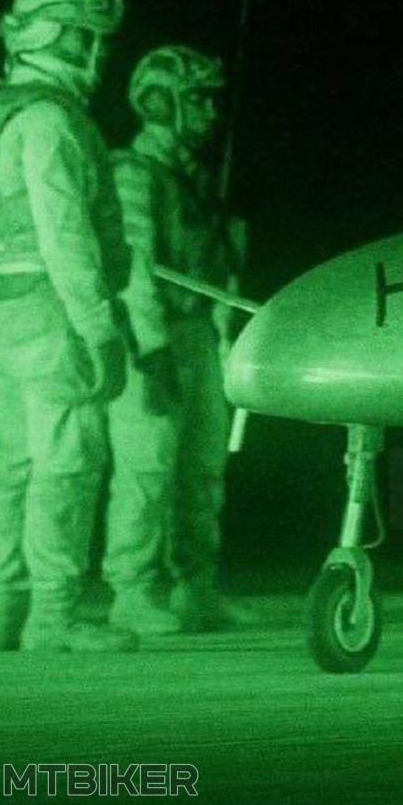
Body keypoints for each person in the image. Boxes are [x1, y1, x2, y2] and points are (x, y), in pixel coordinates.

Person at [0, 0, 138, 652]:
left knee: (14, 466)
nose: (100, 53)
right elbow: (65, 237)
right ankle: (53, 617)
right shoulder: (51, 120)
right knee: (67, 461)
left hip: (6, 307)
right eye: (91, 37)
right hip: (52, 309)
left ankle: (2, 610)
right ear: (60, 35)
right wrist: (101, 327)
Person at [104, 44, 254, 633]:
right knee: (146, 469)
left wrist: (223, 339)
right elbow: (135, 269)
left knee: (202, 469)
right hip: (153, 336)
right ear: (158, 101)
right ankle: (132, 591)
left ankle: (196, 587)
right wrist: (151, 348)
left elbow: (216, 271)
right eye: (197, 99)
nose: (209, 112)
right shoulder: (132, 173)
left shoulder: (195, 181)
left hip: (197, 334)